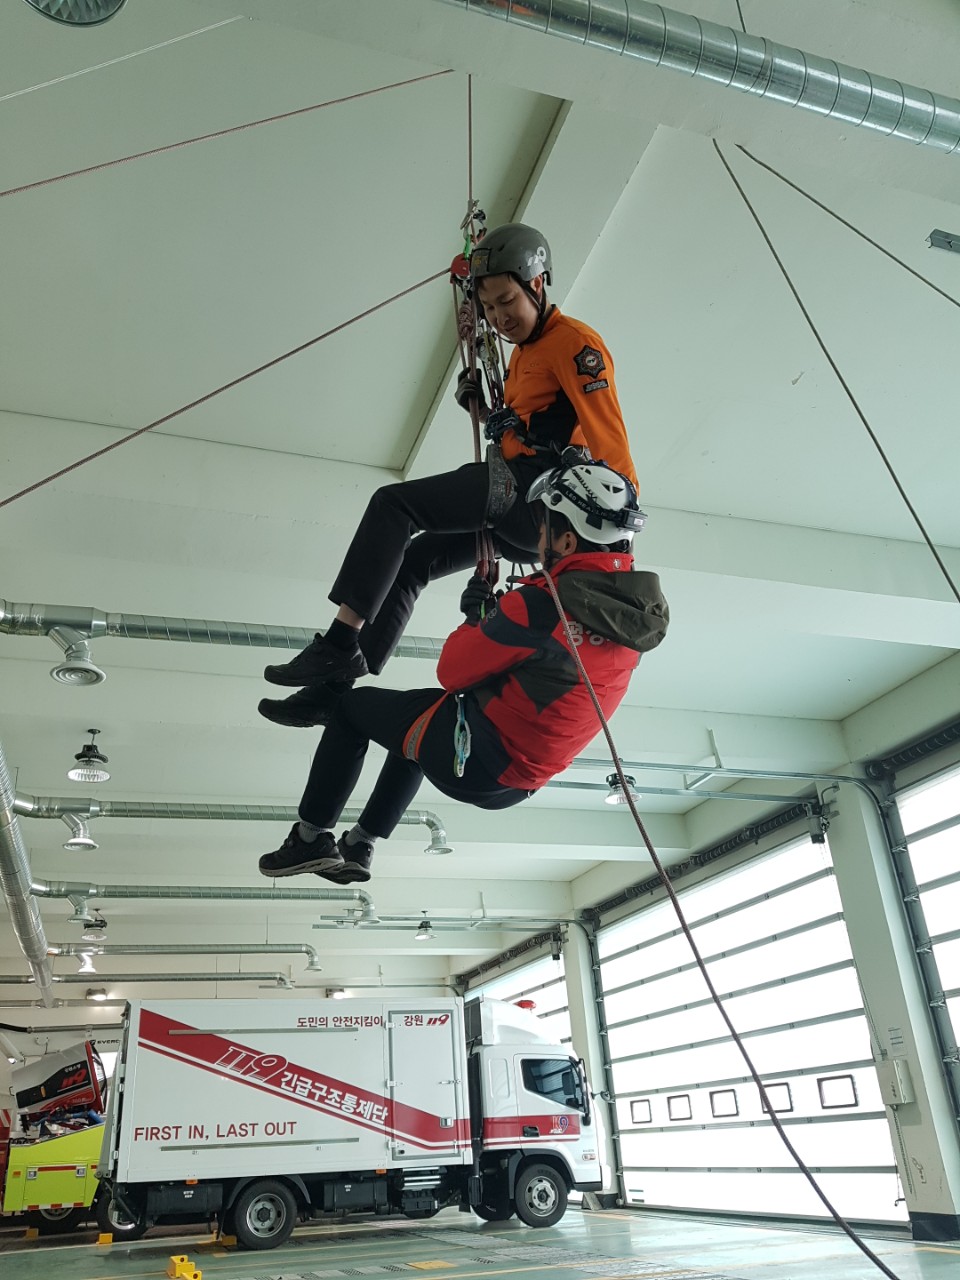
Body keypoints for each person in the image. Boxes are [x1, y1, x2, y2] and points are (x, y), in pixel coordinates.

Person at [258, 223, 639, 729]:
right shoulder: (524, 352)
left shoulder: (575, 345)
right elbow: (538, 426)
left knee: (394, 505)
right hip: (517, 509)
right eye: (490, 308)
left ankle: (340, 640)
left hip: (533, 502)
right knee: (413, 562)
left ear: (537, 284)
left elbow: (609, 440)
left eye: (508, 301)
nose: (500, 318)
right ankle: (332, 693)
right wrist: (486, 411)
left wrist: (617, 547)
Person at [257, 461, 667, 882]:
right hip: (516, 782)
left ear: (566, 540)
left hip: (475, 763)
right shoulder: (631, 625)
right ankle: (360, 843)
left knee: (351, 709)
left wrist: (477, 617)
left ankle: (309, 838)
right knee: (416, 722)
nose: (538, 540)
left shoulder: (540, 607)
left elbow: (451, 670)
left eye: (543, 528)